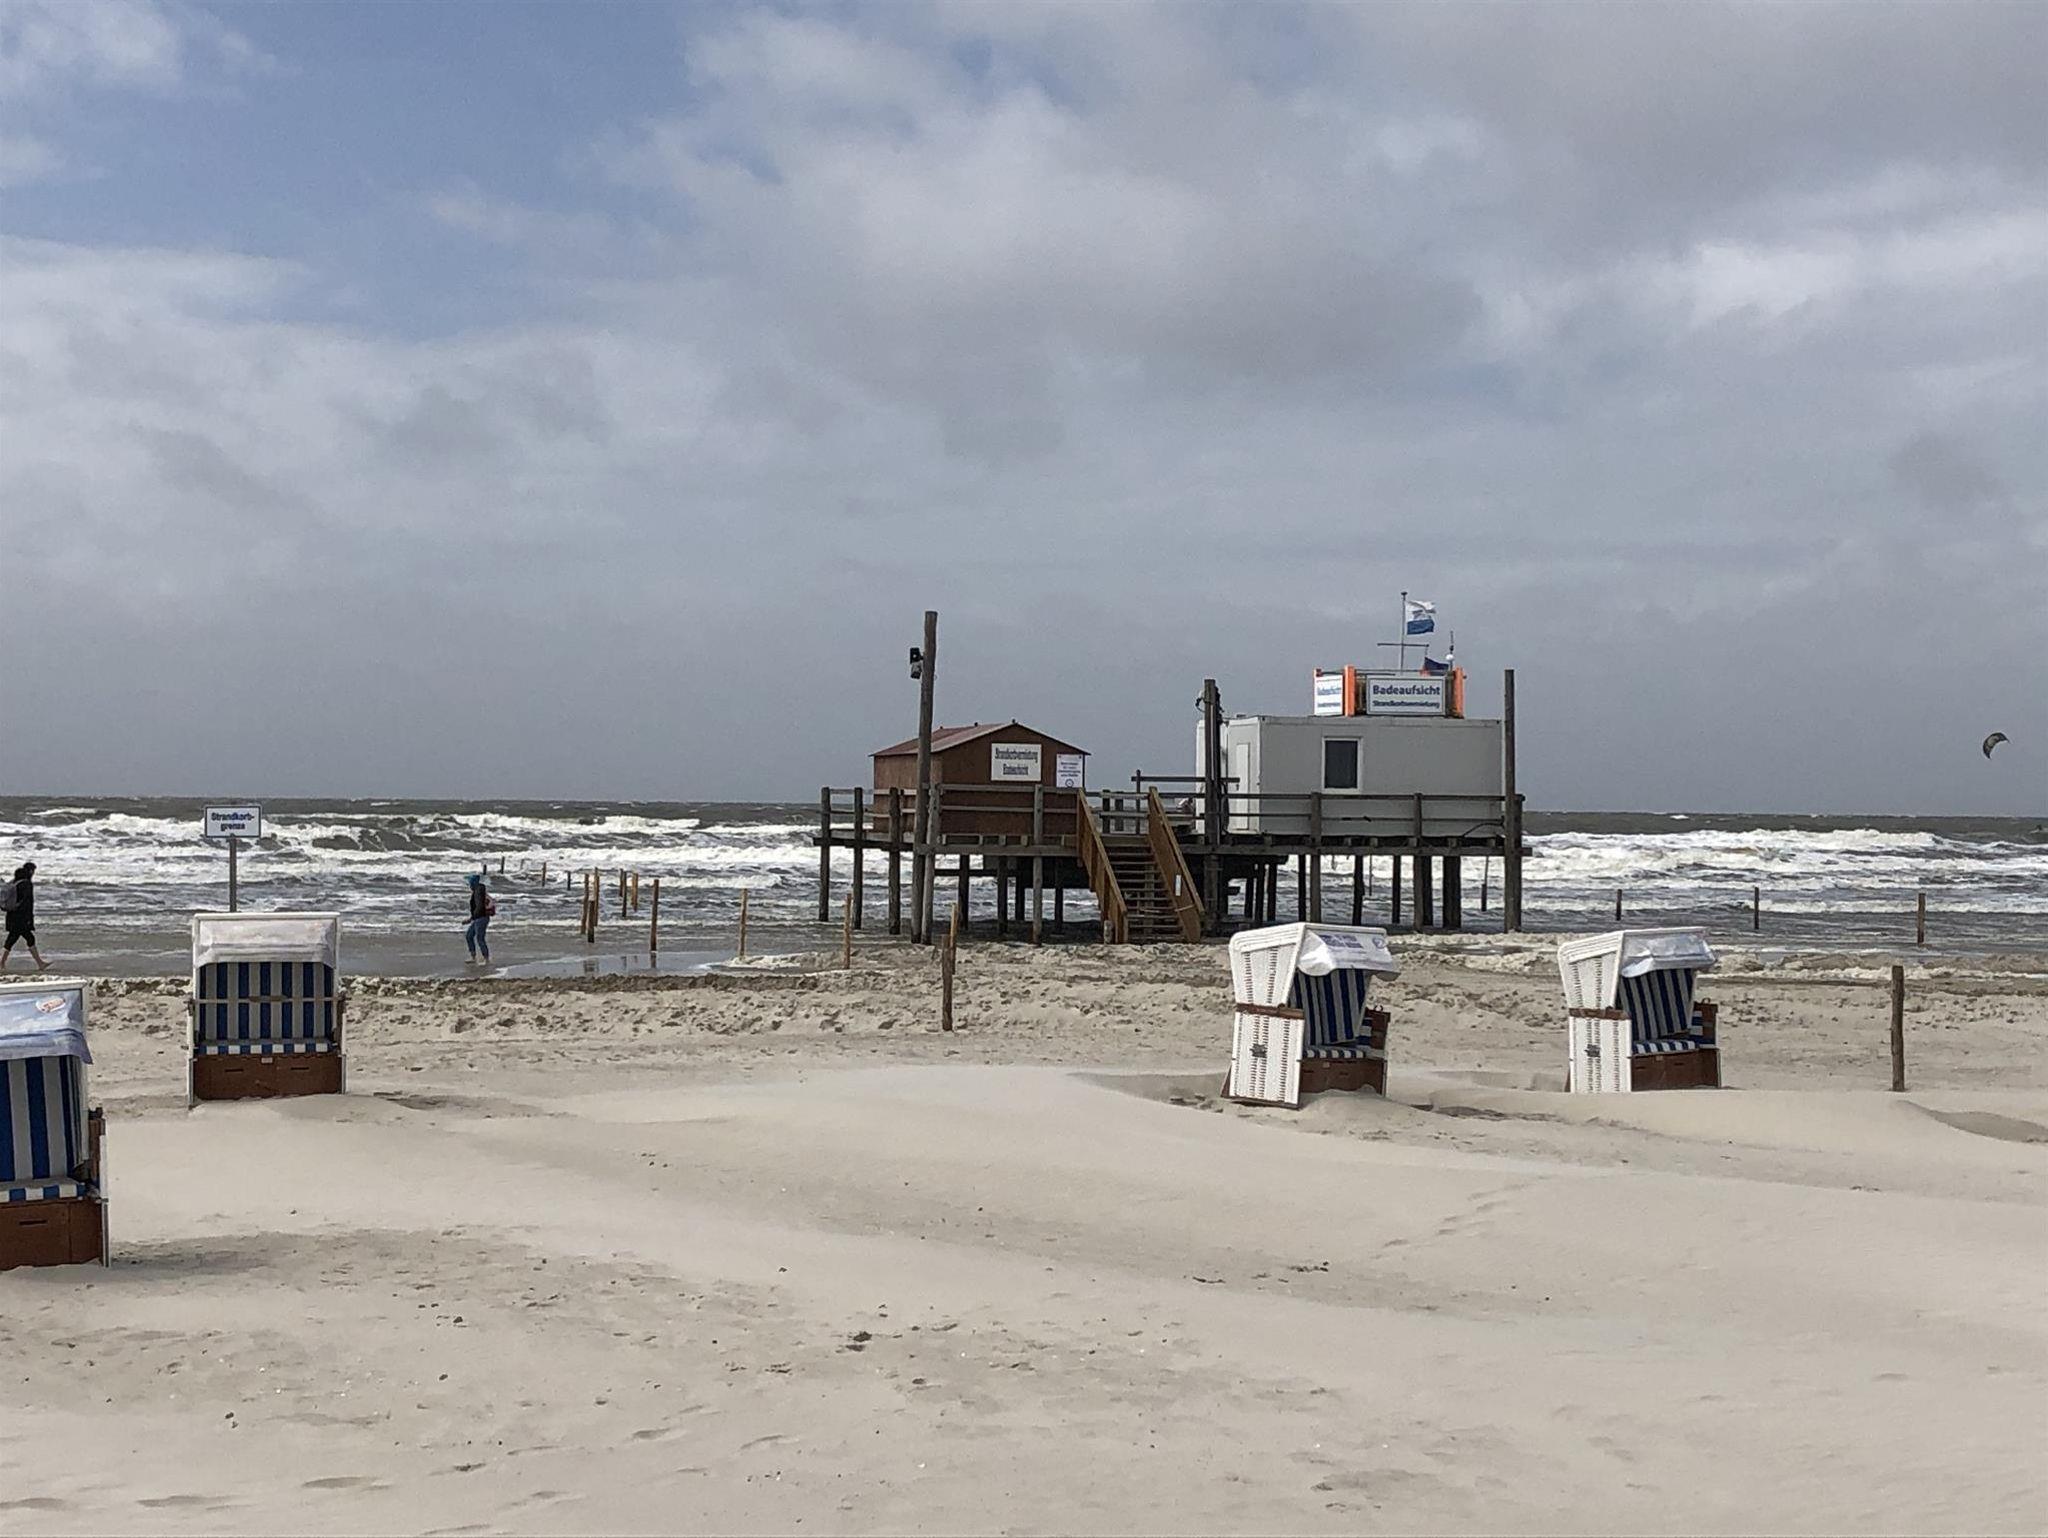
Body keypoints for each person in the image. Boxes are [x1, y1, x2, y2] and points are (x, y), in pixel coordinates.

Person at [0, 861, 48, 972]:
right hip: (21, 918)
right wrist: (29, 919)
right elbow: (26, 903)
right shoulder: (27, 884)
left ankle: (40, 963)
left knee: (15, 939)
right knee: (22, 939)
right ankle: (1, 963)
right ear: (30, 871)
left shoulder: (15, 882)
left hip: (12, 916)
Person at [464, 872, 494, 964]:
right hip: (478, 918)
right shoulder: (478, 891)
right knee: (469, 936)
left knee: (480, 938)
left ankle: (486, 959)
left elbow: (480, 907)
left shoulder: (479, 892)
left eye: (469, 882)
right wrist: (471, 918)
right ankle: (473, 957)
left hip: (482, 918)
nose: (469, 885)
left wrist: (471, 918)